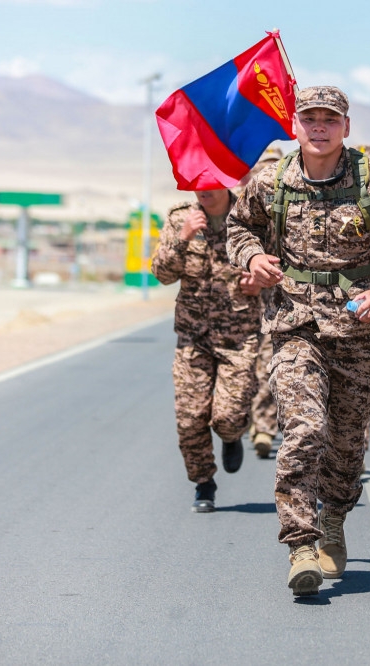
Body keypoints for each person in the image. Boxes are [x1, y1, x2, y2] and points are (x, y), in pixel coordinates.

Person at [227, 86, 370, 596]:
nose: (319, 128)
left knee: (346, 445)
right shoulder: (272, 179)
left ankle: (334, 518)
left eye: (329, 120)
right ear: (295, 124)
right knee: (304, 429)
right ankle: (301, 543)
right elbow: (238, 228)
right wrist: (252, 258)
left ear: (346, 126)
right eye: (310, 119)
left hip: (358, 331)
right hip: (294, 325)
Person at [151, 187, 262, 513]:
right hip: (192, 336)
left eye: (212, 182)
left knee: (227, 417)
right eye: (198, 184)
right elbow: (161, 274)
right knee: (189, 419)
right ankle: (203, 483)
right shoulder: (179, 217)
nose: (206, 191)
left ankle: (232, 435)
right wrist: (182, 237)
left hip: (238, 337)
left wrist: (259, 281)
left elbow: (279, 267)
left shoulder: (251, 216)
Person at [244, 145, 285, 459]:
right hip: (241, 303)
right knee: (247, 366)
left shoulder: (292, 202)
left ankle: (263, 425)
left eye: (272, 167)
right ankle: (244, 421)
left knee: (269, 362)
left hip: (280, 296)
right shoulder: (240, 206)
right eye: (261, 167)